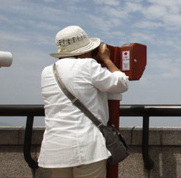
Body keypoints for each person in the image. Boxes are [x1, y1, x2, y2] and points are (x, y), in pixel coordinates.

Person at [38, 25, 129, 178]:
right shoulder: (87, 65)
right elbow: (121, 84)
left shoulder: (47, 71)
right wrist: (106, 59)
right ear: (85, 50)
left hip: (56, 148)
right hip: (87, 147)